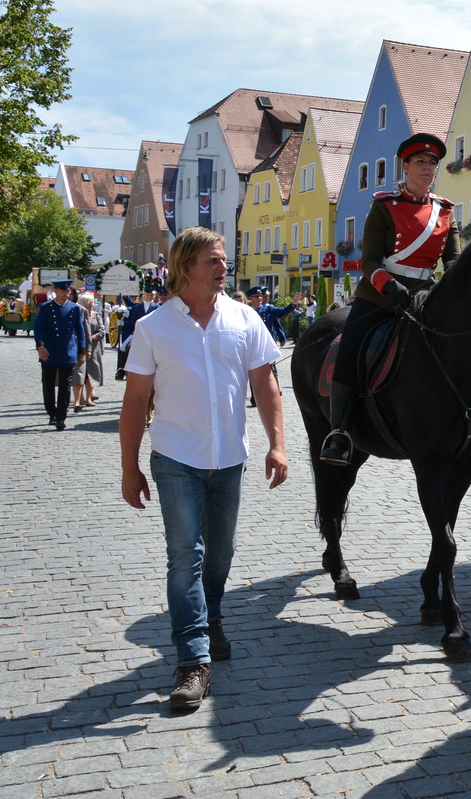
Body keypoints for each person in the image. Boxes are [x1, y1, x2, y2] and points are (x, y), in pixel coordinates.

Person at [120, 226, 288, 710]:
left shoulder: (244, 318)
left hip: (229, 458)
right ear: (186, 265)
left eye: (223, 260)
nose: (223, 268)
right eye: (213, 260)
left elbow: (267, 386)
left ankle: (211, 614)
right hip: (176, 458)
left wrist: (277, 445)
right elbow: (135, 403)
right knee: (184, 556)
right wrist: (130, 468)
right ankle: (192, 659)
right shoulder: (153, 328)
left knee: (220, 554)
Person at [321, 134, 456, 465]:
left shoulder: (445, 211)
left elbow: (452, 261)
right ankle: (339, 432)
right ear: (406, 166)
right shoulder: (384, 206)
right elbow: (369, 261)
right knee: (351, 348)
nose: (428, 168)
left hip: (425, 297)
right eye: (421, 162)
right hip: (381, 296)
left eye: (433, 164)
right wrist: (390, 286)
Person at [33, 279, 86, 430]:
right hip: (49, 351)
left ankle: (61, 417)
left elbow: (80, 330)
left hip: (67, 351)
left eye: (68, 291)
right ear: (54, 290)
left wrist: (82, 351)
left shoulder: (75, 308)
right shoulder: (46, 308)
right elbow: (39, 328)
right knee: (48, 385)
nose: (65, 294)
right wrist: (40, 346)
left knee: (65, 386)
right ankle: (52, 412)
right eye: (63, 291)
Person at [77, 291, 105, 409]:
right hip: (81, 348)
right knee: (81, 374)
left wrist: (93, 337)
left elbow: (102, 331)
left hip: (93, 348)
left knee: (90, 373)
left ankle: (88, 396)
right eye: (90, 303)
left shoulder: (96, 315)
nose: (92, 305)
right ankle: (83, 397)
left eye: (93, 303)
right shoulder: (77, 315)